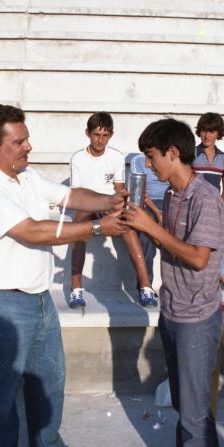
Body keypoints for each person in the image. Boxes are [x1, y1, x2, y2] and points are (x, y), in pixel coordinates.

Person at [0, 104, 126, 447]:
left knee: (49, 380)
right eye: (18, 142)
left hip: (38, 298)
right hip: (0, 304)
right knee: (1, 393)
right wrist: (99, 226)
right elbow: (32, 231)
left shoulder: (27, 177)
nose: (28, 147)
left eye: (27, 138)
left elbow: (71, 195)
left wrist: (109, 200)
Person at [123, 118, 224, 447]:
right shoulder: (172, 194)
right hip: (173, 310)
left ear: (172, 152)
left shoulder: (206, 198)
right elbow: (170, 235)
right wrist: (143, 214)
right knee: (184, 407)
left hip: (198, 319)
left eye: (151, 157)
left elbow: (200, 258)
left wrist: (150, 228)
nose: (149, 167)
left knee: (197, 416)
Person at [69, 112, 157, 309]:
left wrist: (123, 203)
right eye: (96, 134)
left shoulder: (116, 156)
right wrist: (99, 202)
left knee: (129, 228)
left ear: (111, 135)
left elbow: (118, 188)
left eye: (105, 135)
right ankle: (76, 289)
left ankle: (146, 287)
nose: (100, 140)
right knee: (78, 232)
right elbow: (77, 193)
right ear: (88, 133)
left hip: (110, 203)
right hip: (87, 203)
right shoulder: (78, 158)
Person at [192, 112, 224, 292]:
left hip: (215, 207)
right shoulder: (192, 153)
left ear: (218, 133)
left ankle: (222, 273)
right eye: (204, 131)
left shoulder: (223, 158)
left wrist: (218, 205)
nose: (207, 135)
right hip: (194, 205)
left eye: (212, 131)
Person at [130, 152, 169, 286]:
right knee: (146, 229)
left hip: (171, 200)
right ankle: (145, 284)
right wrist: (157, 212)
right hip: (148, 202)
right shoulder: (139, 160)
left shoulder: (170, 158)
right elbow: (139, 191)